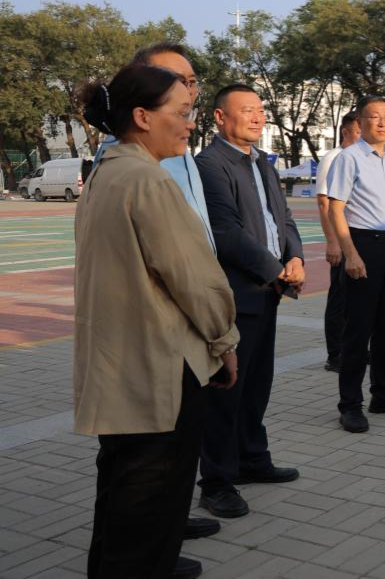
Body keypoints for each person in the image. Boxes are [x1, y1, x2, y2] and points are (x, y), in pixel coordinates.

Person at [74, 64, 239, 579]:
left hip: (119, 367)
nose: (190, 124)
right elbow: (195, 278)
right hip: (160, 368)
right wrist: (224, 340)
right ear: (143, 117)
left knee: (121, 504)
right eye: (182, 113)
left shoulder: (106, 172)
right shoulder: (148, 180)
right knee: (150, 510)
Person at [194, 85, 305, 519]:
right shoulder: (210, 165)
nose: (258, 118)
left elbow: (284, 218)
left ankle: (252, 459)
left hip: (268, 290)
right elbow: (225, 230)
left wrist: (295, 257)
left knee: (257, 383)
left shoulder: (262, 163)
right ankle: (217, 481)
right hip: (236, 294)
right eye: (247, 111)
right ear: (220, 117)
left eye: (261, 110)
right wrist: (275, 269)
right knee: (227, 390)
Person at [325, 96, 385, 433]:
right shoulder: (349, 158)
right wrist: (350, 253)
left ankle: (384, 393)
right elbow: (336, 209)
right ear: (361, 122)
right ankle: (350, 404)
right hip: (364, 243)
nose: (382, 123)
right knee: (359, 327)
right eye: (375, 117)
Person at [316, 111, 360, 372]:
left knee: (358, 298)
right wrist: (332, 241)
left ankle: (354, 349)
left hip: (361, 238)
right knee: (339, 299)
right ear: (345, 131)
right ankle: (335, 354)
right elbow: (324, 203)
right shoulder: (333, 157)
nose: (363, 136)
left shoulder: (361, 158)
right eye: (358, 131)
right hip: (342, 240)